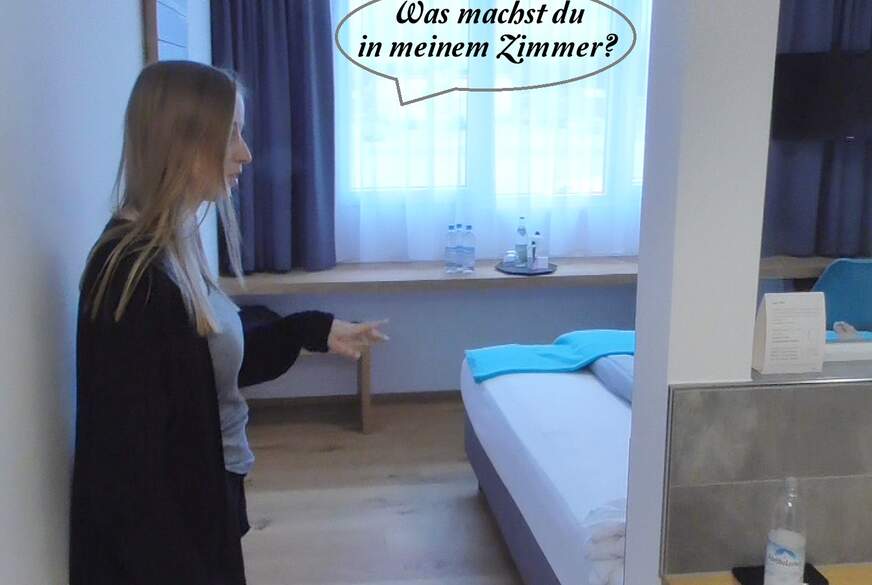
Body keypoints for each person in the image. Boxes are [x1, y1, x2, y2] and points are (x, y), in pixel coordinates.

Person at [69, 60, 387, 585]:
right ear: (182, 140)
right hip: (174, 540)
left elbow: (206, 363)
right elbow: (129, 480)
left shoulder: (174, 240)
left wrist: (313, 330)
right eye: (231, 133)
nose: (246, 153)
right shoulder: (132, 277)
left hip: (208, 496)